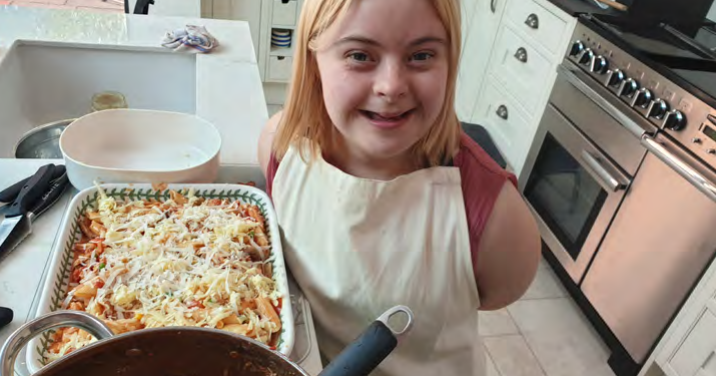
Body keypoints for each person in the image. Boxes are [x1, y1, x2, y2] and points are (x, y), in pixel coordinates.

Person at [258, 0, 541, 374]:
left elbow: (499, 291)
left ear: (450, 62)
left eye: (421, 55)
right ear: (313, 61)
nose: (391, 86)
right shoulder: (282, 148)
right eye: (360, 55)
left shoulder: (496, 220)